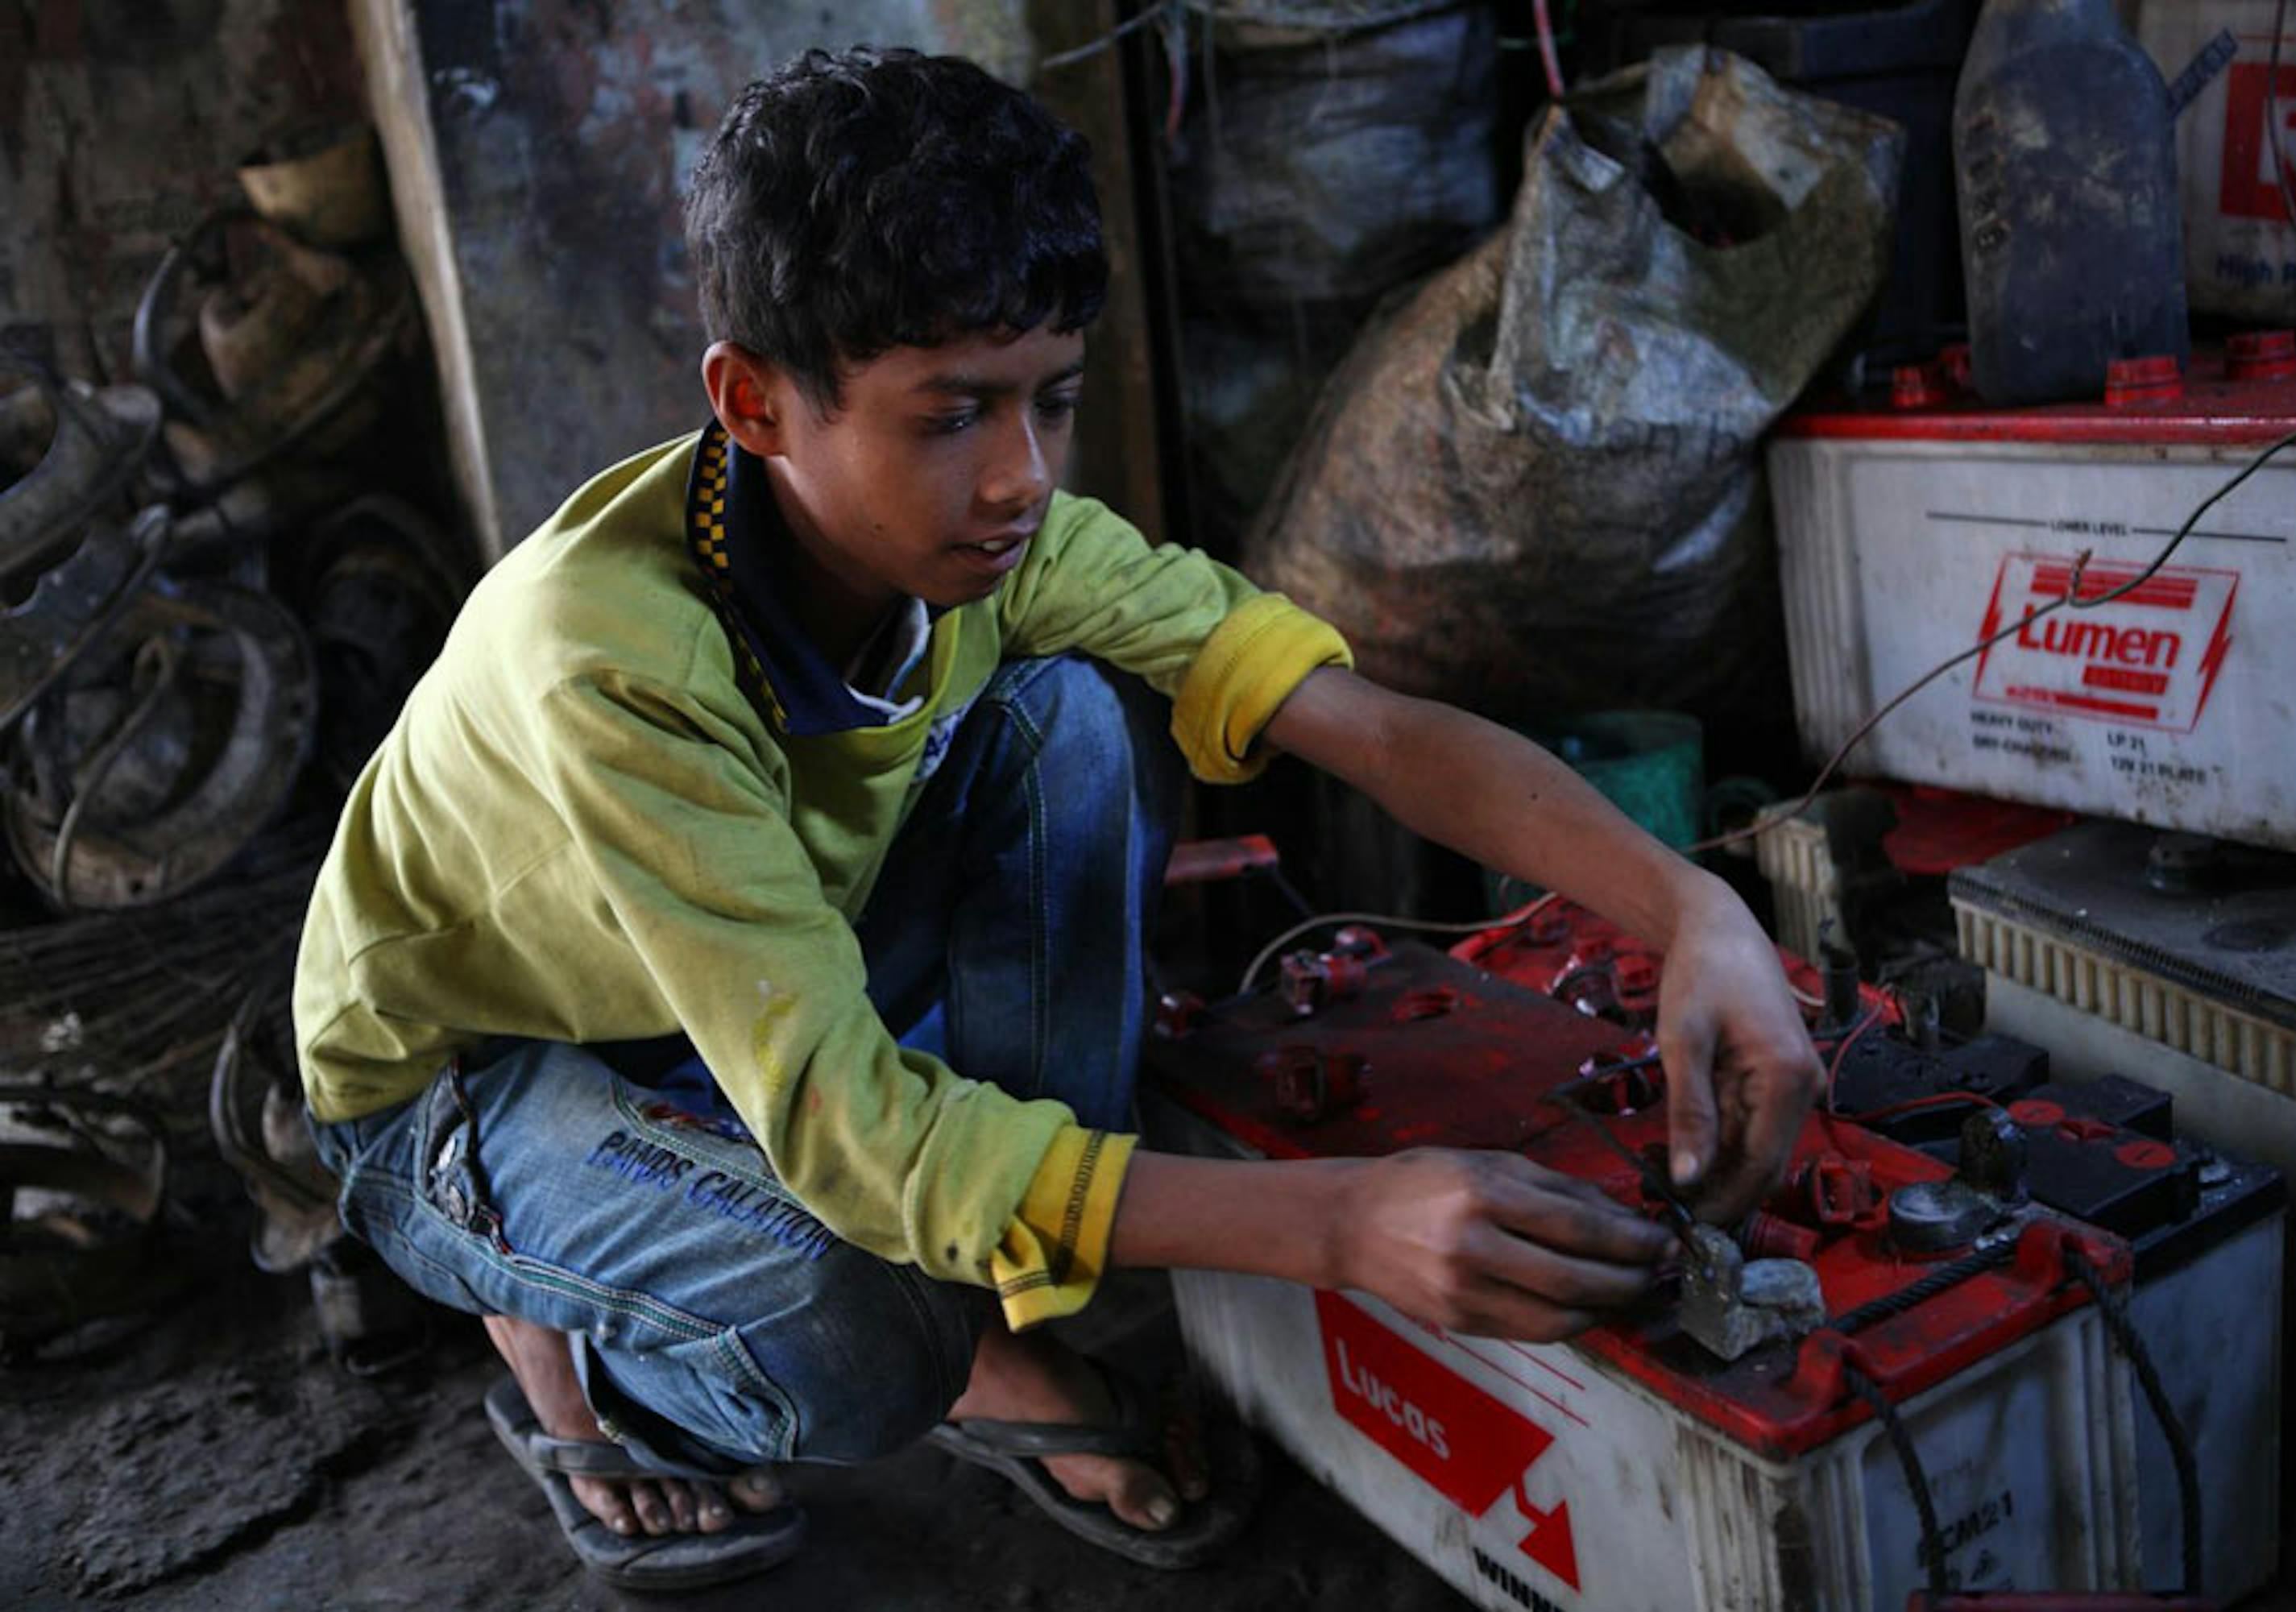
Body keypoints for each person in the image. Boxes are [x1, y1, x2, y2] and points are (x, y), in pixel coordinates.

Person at [295, 44, 1820, 1591]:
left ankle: (1010, 1304)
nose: (1021, 476)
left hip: (715, 982)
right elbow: (852, 1134)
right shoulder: (614, 656)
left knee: (1070, 723)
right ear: (754, 401)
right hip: (477, 1067)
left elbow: (1362, 724)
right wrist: (1337, 1222)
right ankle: (573, 1345)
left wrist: (1698, 913)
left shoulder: (1003, 542)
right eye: (953, 412)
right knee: (862, 1330)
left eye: (1053, 400)